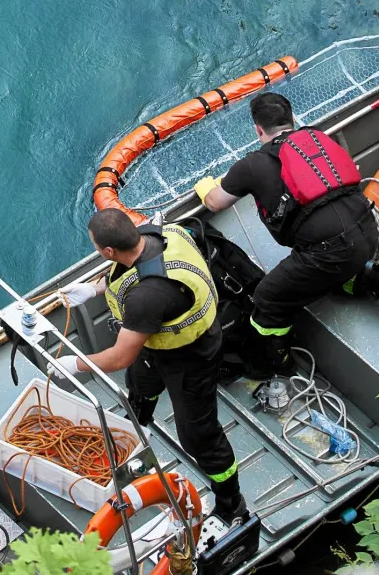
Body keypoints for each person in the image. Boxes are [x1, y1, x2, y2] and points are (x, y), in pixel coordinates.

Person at [55, 210, 248, 525]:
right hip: (158, 345)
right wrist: (95, 289)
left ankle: (232, 505)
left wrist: (74, 364)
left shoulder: (149, 296)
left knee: (199, 436)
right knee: (141, 384)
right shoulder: (158, 234)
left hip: (191, 356)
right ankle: (136, 434)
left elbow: (119, 357)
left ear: (108, 251)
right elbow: (130, 269)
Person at [192, 93, 379, 371]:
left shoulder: (250, 165)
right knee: (335, 270)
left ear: (258, 129)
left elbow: (215, 202)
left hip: (328, 251)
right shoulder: (317, 139)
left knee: (267, 298)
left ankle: (275, 362)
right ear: (292, 119)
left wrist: (205, 188)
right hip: (369, 229)